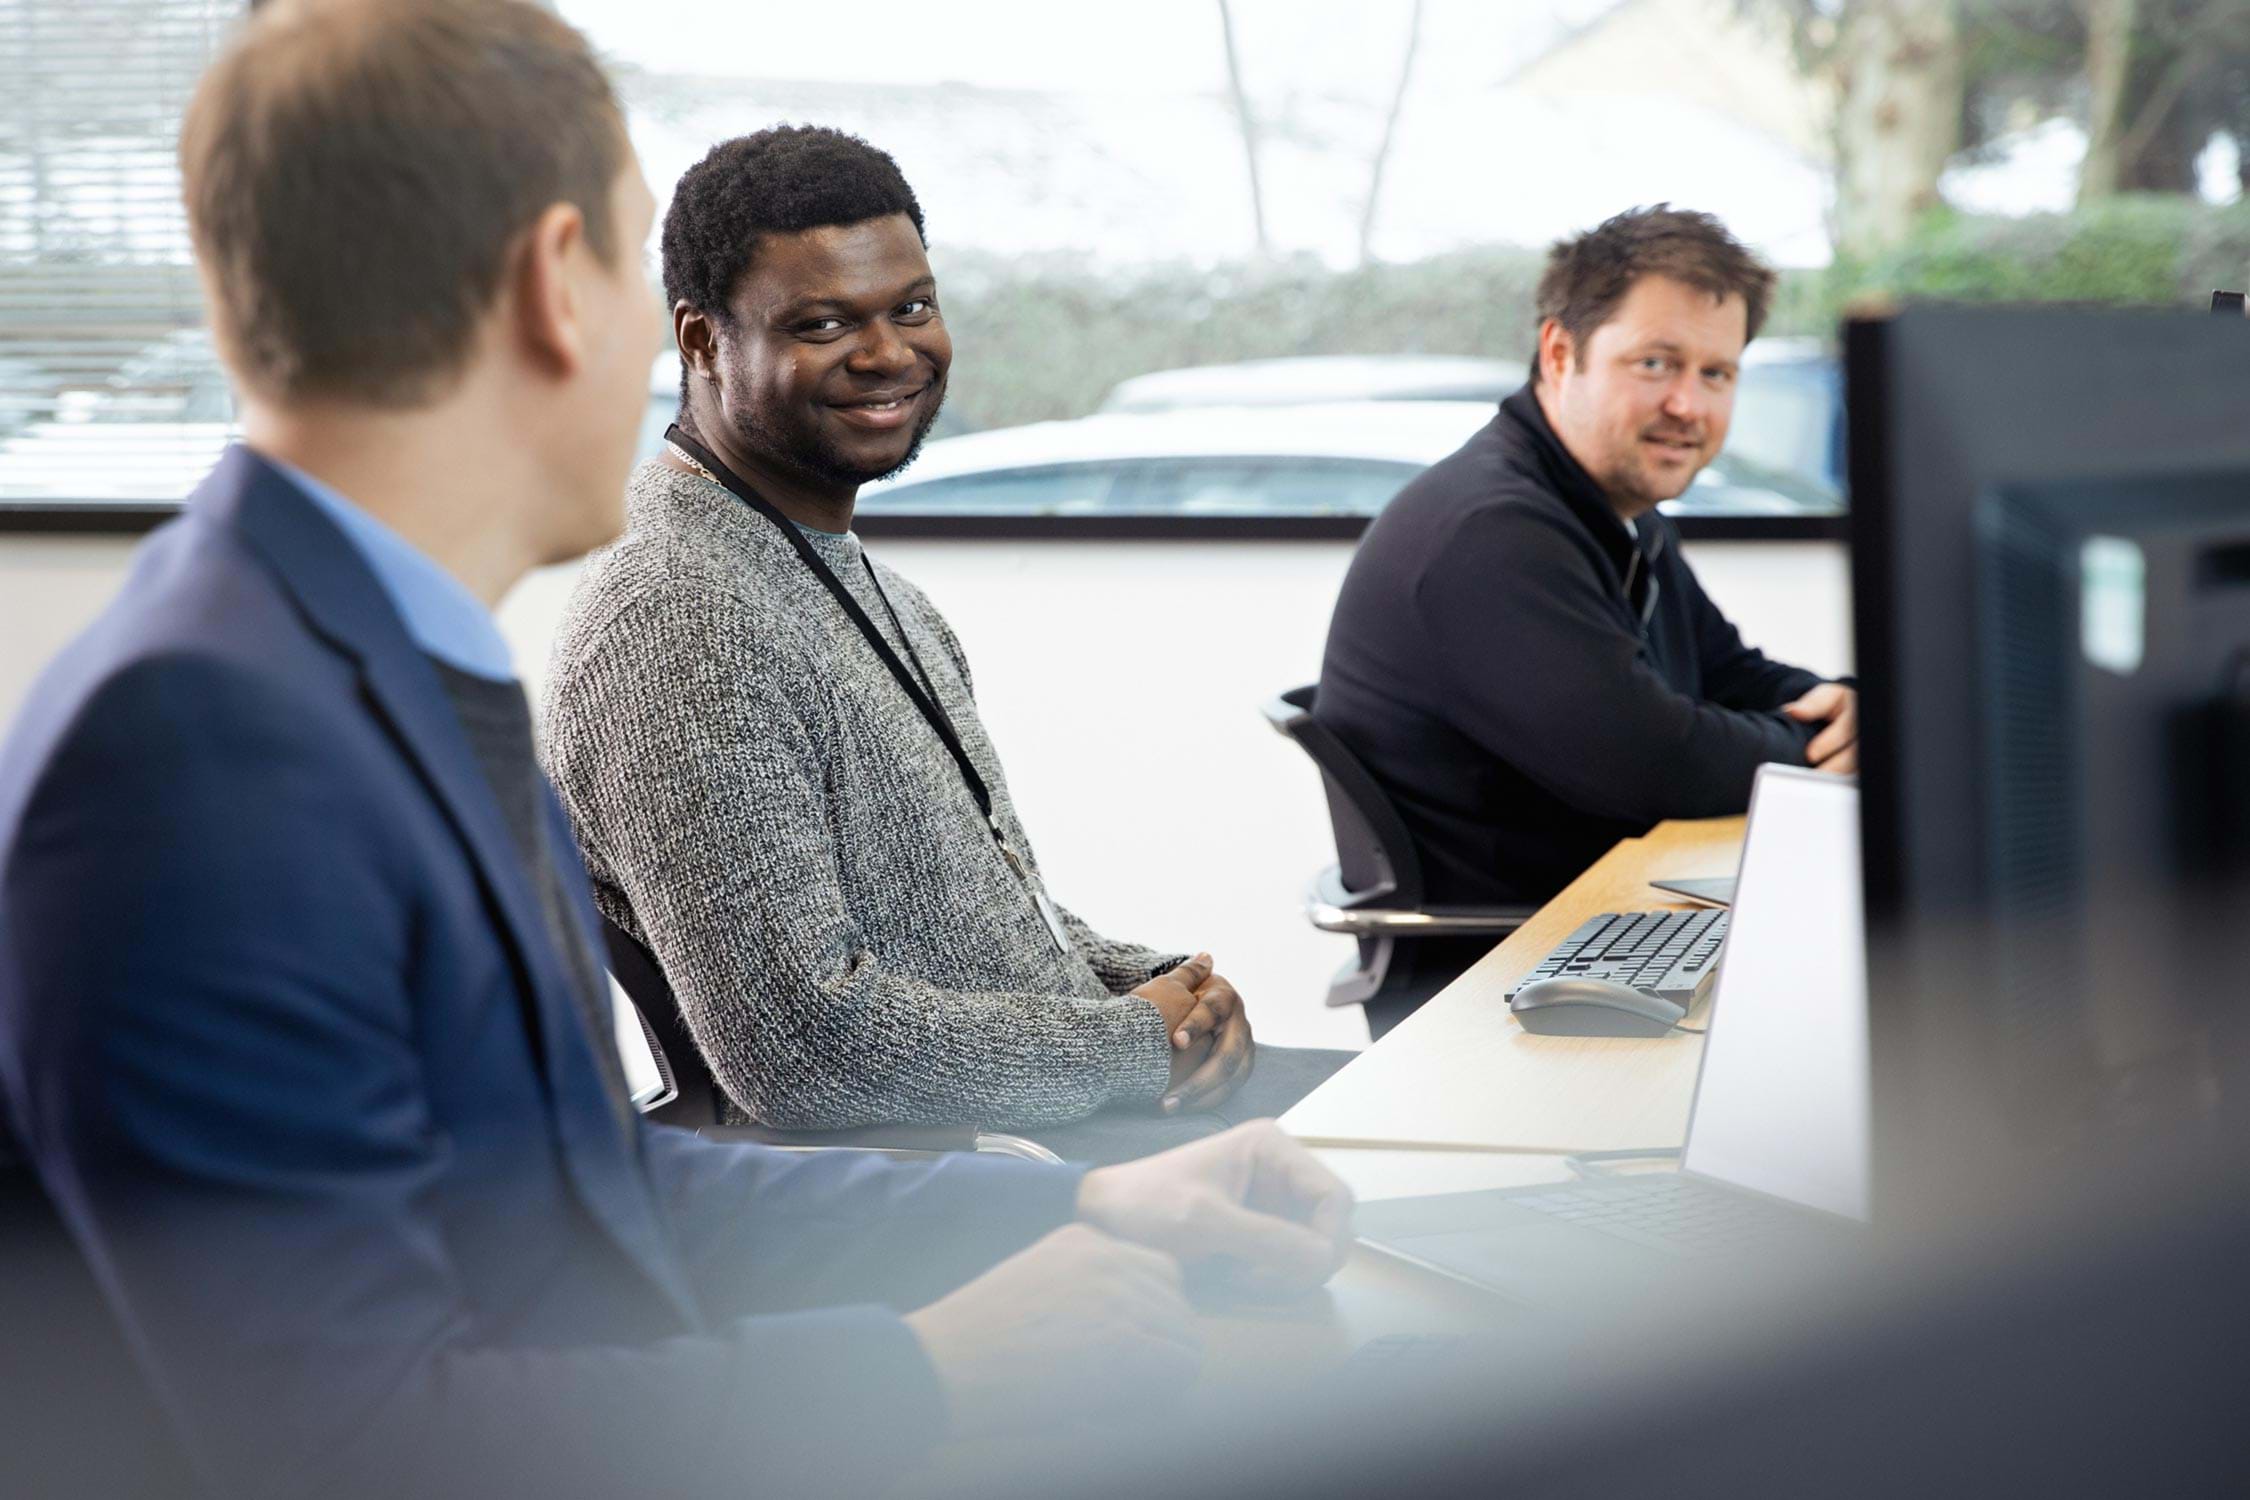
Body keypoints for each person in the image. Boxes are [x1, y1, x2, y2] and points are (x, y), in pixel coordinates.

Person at [0, 6, 1351, 1497]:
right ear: (550, 286)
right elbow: (336, 1437)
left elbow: (588, 1193)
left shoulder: (381, 657)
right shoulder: (206, 745)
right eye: (643, 280)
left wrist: (1091, 1210)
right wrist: (921, 1377)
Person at [540, 127, 1351, 1164]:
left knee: (1470, 1116)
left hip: (1057, 1116)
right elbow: (801, 1046)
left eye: (911, 308)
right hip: (976, 1177)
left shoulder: (865, 586)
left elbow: (977, 922)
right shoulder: (675, 619)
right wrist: (1128, 1045)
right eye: (825, 323)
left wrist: (1158, 988)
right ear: (702, 342)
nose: (887, 354)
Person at [1315, 205, 1857, 1034]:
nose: (1688, 403)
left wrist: (1844, 703)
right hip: (1502, 993)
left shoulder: (1614, 507)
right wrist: (1822, 750)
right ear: (1561, 352)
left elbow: (1729, 672)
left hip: (1617, 938)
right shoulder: (1493, 532)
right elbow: (1657, 761)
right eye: (1656, 363)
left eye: (1717, 374)